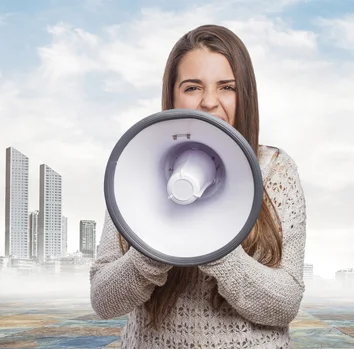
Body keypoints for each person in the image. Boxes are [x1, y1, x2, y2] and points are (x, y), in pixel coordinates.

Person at [90, 24, 307, 349]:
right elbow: (104, 301)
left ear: (244, 95)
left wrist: (217, 248)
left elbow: (285, 305)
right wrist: (154, 250)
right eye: (192, 87)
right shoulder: (138, 163)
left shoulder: (276, 170)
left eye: (226, 87)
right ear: (172, 94)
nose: (209, 102)